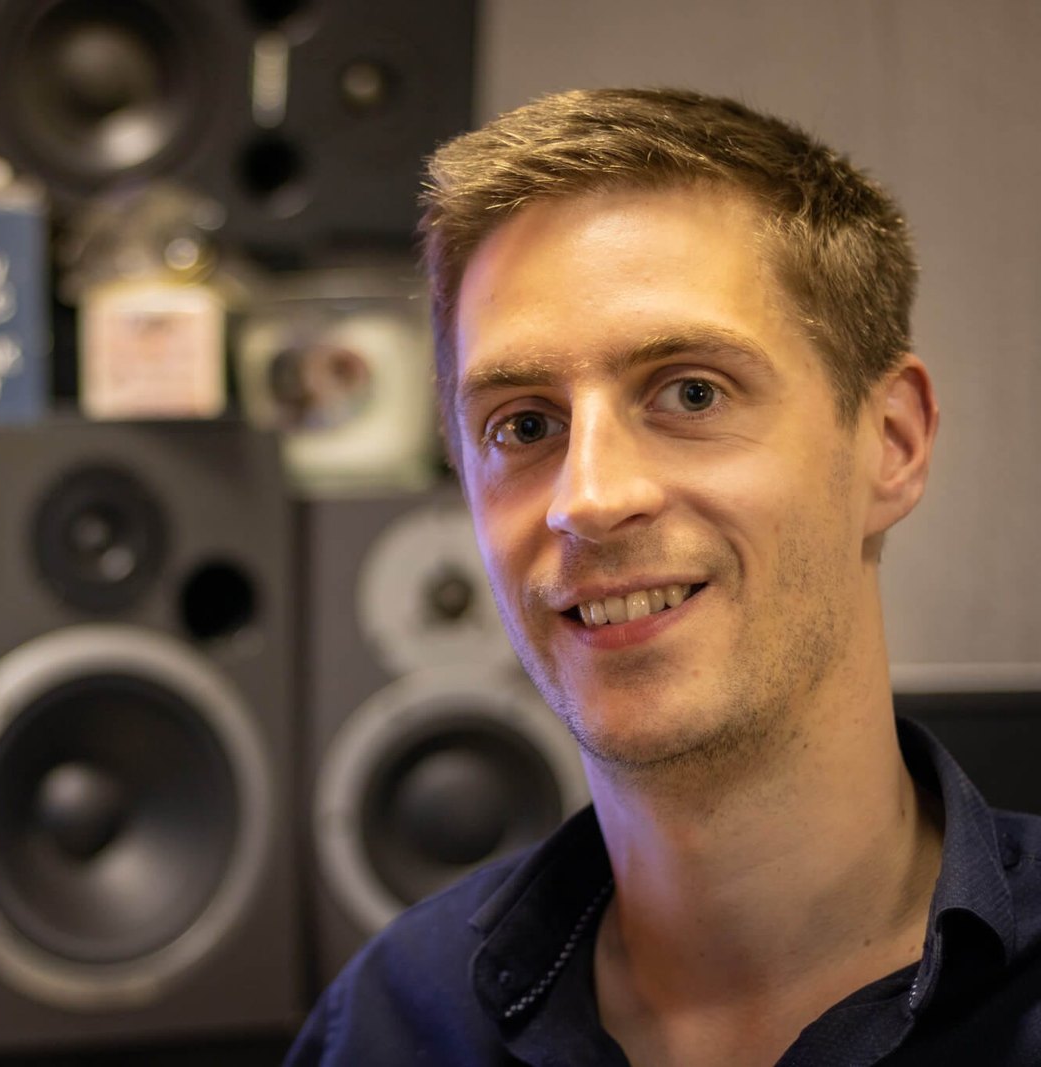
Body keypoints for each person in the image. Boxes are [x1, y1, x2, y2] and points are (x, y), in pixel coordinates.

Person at [286, 87, 1041, 1066]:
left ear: (889, 443)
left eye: (690, 390)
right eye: (523, 424)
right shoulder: (389, 1026)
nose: (587, 497)